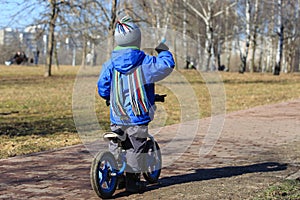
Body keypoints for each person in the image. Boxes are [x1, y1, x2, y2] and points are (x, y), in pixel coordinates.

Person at [97, 16, 175, 193]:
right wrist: (162, 50)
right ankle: (132, 182)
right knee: (135, 146)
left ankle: (116, 176)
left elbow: (103, 87)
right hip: (137, 116)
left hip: (117, 114)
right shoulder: (145, 63)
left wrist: (107, 96)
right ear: (137, 41)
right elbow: (167, 65)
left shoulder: (110, 64)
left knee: (116, 142)